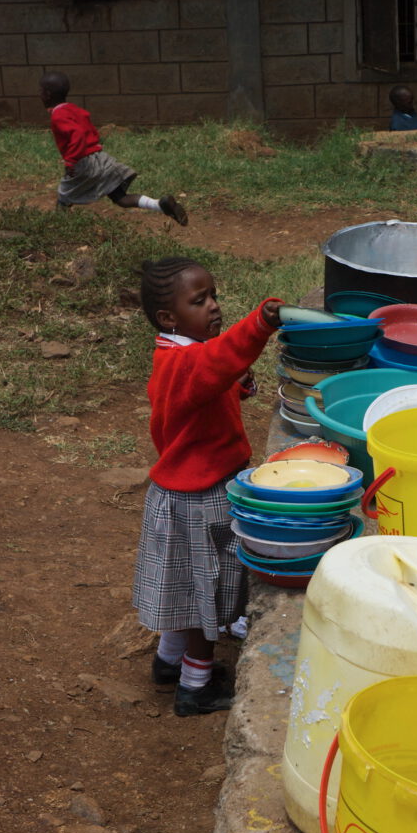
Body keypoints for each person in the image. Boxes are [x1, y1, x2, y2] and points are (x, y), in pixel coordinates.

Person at [132, 255, 283, 716]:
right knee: (206, 597)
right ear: (168, 317)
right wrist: (259, 324)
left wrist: (237, 387)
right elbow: (217, 361)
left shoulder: (178, 355)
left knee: (185, 587)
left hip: (181, 493)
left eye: (213, 295)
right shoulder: (186, 362)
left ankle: (168, 661)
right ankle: (195, 687)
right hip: (203, 497)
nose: (214, 306)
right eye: (200, 301)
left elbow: (207, 384)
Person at [39, 71, 188, 225]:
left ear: (47, 94)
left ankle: (58, 228)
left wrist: (71, 161)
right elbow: (89, 128)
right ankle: (159, 204)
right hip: (101, 158)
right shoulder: (73, 109)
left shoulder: (58, 115)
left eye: (41, 91)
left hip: (82, 163)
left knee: (64, 196)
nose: (40, 95)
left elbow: (78, 134)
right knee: (120, 197)